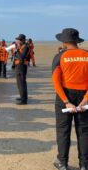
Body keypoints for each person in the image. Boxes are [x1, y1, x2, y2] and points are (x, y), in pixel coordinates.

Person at [52, 28, 88, 170]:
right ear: (77, 41)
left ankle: (62, 162)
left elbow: (56, 81)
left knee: (63, 130)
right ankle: (84, 165)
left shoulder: (60, 56)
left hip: (65, 95)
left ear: (64, 41)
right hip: (84, 95)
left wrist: (66, 101)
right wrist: (85, 99)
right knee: (84, 131)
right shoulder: (86, 55)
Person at [14, 34, 30, 105]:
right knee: (19, 83)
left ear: (23, 40)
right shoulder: (21, 46)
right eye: (17, 39)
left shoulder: (26, 47)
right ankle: (22, 97)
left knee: (22, 83)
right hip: (19, 66)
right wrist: (16, 52)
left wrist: (16, 51)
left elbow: (21, 57)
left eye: (19, 40)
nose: (17, 41)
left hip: (21, 67)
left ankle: (24, 100)